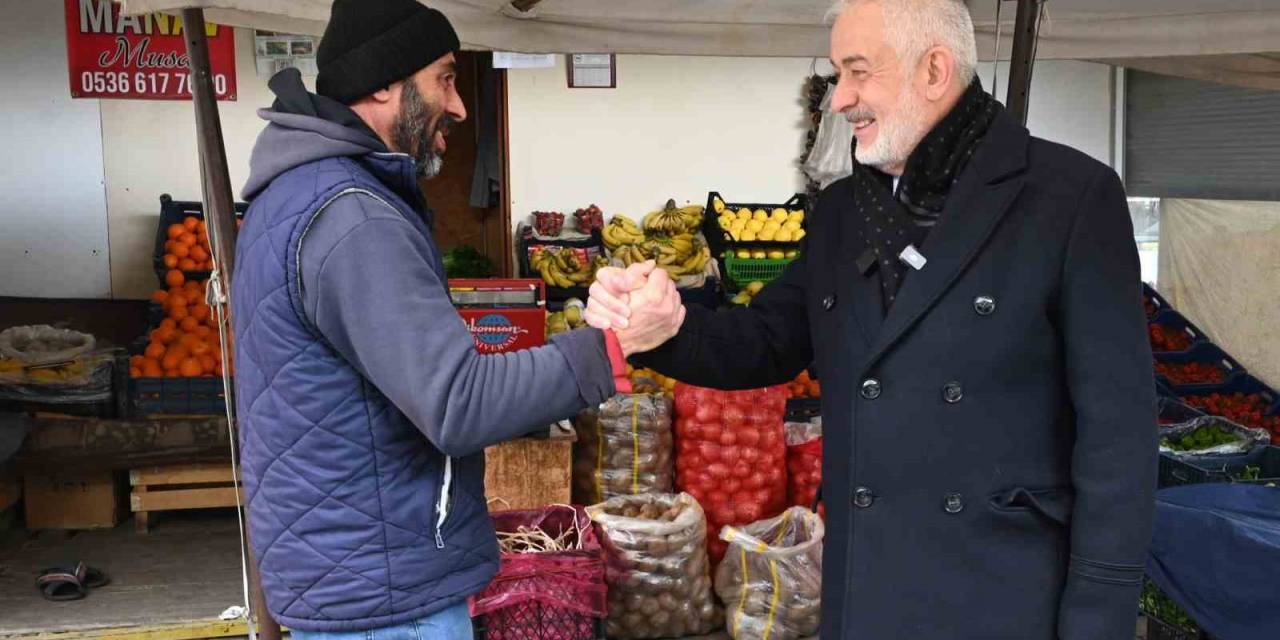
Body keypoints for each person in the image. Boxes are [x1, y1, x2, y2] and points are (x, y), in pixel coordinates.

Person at [585, 0, 1157, 637]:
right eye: (838, 75)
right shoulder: (842, 212)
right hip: (867, 594)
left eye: (857, 72)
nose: (839, 99)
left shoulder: (1068, 198)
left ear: (934, 70)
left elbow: (1118, 438)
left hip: (1005, 597)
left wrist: (1099, 617)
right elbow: (767, 340)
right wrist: (668, 326)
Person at [230, 1, 629, 637]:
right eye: (445, 78)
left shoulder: (298, 193)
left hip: (353, 570)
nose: (460, 106)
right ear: (383, 84)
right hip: (386, 595)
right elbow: (458, 404)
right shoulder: (353, 218)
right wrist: (611, 346)